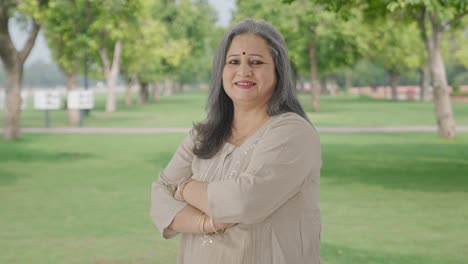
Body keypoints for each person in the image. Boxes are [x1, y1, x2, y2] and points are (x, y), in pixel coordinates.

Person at [150, 18, 322, 264]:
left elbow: (245, 201)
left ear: (278, 70)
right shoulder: (203, 134)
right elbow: (159, 195)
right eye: (234, 62)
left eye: (256, 62)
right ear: (221, 71)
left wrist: (185, 188)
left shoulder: (292, 133)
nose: (243, 71)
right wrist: (205, 223)